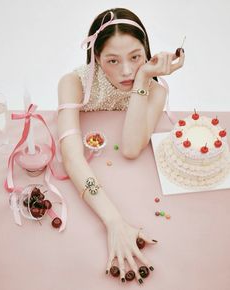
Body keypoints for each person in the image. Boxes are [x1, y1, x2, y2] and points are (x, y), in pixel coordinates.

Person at [57, 7, 184, 284]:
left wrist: (143, 80)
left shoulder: (156, 89)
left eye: (136, 57)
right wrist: (114, 221)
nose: (126, 70)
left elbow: (130, 148)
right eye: (112, 61)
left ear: (147, 51)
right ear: (96, 58)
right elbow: (71, 157)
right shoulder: (73, 83)